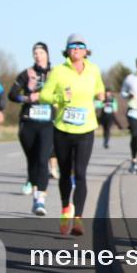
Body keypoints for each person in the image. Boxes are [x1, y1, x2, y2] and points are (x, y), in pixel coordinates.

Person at [38, 34, 106, 235]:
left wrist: (101, 95)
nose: (76, 49)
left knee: (82, 173)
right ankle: (66, 208)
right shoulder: (59, 71)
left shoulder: (93, 70)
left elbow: (99, 87)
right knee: (65, 173)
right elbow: (43, 96)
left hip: (85, 129)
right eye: (72, 46)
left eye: (80, 46)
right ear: (67, 50)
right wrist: (60, 96)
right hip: (63, 130)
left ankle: (78, 219)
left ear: (86, 50)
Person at [9, 41, 54, 215]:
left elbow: (65, 92)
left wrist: (45, 96)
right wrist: (26, 99)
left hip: (47, 123)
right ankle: (35, 189)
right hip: (28, 122)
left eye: (41, 52)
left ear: (47, 54)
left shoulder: (55, 73)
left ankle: (40, 199)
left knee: (43, 160)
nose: (38, 55)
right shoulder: (27, 73)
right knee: (32, 161)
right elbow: (12, 94)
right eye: (35, 53)